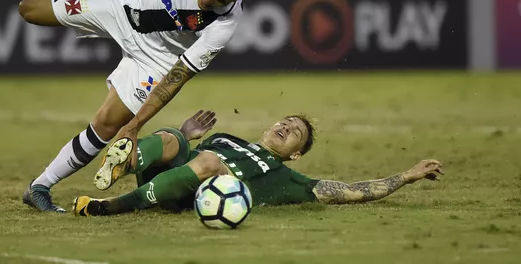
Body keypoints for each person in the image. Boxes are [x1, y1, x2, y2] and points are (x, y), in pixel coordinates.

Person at [17, 0, 253, 212]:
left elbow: (177, 76)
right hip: (123, 6)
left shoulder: (224, 26)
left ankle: (39, 187)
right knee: (28, 9)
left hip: (155, 59)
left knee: (107, 124)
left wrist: (134, 125)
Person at [73, 110, 444, 216]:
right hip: (170, 174)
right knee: (172, 135)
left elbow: (351, 191)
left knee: (210, 162)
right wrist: (185, 134)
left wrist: (407, 176)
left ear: (295, 153)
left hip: (189, 194)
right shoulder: (225, 139)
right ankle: (126, 160)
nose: (285, 126)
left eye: (295, 131)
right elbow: (182, 150)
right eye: (284, 122)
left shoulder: (285, 176)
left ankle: (110, 207)